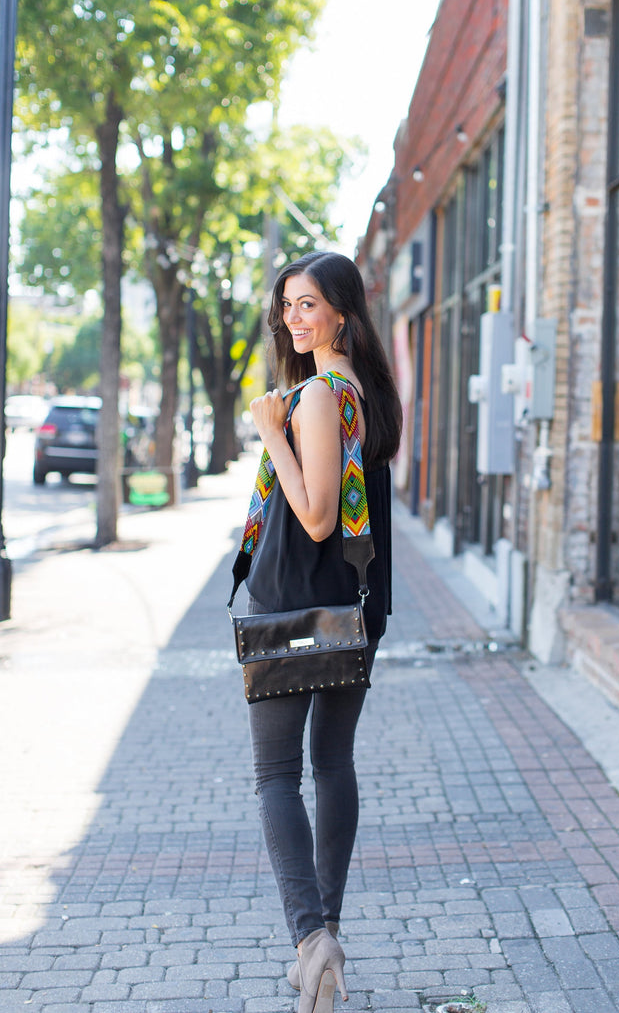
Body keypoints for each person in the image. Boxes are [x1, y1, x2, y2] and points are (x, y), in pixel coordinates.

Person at [244, 251, 402, 1013]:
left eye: (308, 304)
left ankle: (312, 941)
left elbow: (313, 516)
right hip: (351, 612)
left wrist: (270, 431)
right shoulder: (364, 393)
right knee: (332, 763)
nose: (293, 318)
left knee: (278, 777)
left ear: (342, 311)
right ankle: (327, 937)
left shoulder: (315, 396)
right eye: (286, 305)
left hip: (292, 609)